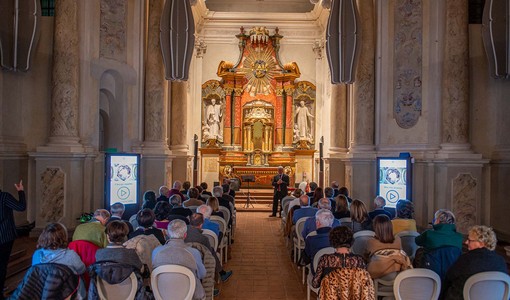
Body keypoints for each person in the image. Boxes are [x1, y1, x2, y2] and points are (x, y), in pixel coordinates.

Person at [442, 225, 508, 300]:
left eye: (470, 240)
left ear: (481, 243)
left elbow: (449, 278)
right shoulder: (500, 261)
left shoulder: (466, 259)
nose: (466, 242)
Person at [152, 219, 206, 300]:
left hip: (161, 295)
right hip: (191, 296)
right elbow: (202, 274)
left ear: (168, 234)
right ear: (185, 235)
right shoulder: (193, 253)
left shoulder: (156, 252)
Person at [0, 180, 26, 298]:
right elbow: (21, 207)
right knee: (2, 264)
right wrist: (21, 191)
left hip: (5, 236)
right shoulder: (4, 197)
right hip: (5, 236)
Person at [366, 215, 411, 279]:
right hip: (397, 275)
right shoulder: (398, 240)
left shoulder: (371, 242)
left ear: (375, 228)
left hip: (378, 275)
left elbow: (366, 258)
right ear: (390, 227)